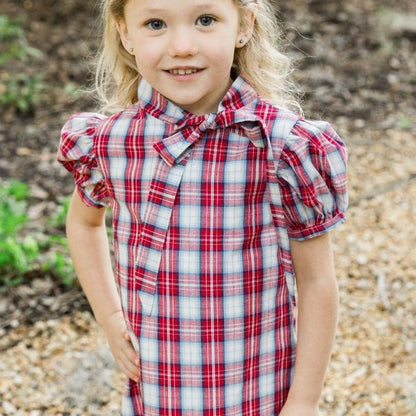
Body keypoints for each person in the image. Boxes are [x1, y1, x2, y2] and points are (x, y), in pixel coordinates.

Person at [57, 0, 348, 414]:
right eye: (155, 23)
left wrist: (304, 400)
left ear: (243, 25)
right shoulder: (111, 141)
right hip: (158, 394)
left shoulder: (282, 145)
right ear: (126, 34)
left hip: (259, 393)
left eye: (205, 20)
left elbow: (318, 281)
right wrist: (110, 317)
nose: (181, 46)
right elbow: (84, 224)